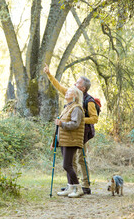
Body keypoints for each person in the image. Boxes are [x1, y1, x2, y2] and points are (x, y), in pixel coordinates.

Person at [44, 63, 98, 195]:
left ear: (83, 88)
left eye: (77, 82)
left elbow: (94, 119)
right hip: (70, 131)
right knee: (70, 160)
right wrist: (49, 74)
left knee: (81, 158)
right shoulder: (72, 96)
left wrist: (79, 121)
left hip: (82, 133)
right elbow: (59, 87)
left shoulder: (88, 101)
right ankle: (72, 185)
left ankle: (85, 185)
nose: (74, 83)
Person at [51, 86, 85, 197]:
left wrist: (62, 124)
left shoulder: (77, 108)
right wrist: (54, 142)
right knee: (68, 165)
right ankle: (70, 187)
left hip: (72, 140)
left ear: (74, 96)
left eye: (69, 92)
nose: (66, 93)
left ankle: (78, 188)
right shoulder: (67, 107)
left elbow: (75, 124)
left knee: (67, 165)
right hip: (65, 140)